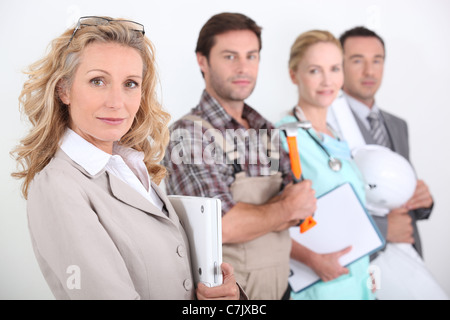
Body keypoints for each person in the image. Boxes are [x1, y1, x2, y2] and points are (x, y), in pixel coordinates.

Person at [11, 16, 241, 300]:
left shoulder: (130, 167)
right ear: (64, 90)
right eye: (98, 81)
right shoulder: (58, 186)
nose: (116, 102)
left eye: (130, 84)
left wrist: (223, 299)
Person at [162, 12, 316, 300]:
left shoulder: (265, 129)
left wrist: (258, 214)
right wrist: (282, 208)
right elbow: (221, 227)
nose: (243, 68)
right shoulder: (188, 135)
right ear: (202, 61)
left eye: (251, 56)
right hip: (230, 299)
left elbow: (303, 208)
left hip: (282, 291)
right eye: (230, 56)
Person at [276, 30, 375, 300]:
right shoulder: (282, 138)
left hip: (357, 281)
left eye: (334, 68)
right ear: (294, 74)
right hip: (317, 285)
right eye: (315, 70)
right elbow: (270, 222)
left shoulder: (337, 135)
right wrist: (312, 260)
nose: (327, 80)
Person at [328, 26, 434, 259]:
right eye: (357, 61)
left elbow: (394, 189)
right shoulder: (326, 123)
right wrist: (384, 230)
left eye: (377, 61)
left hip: (407, 257)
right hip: (361, 262)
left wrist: (422, 200)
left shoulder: (398, 125)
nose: (369, 71)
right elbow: (328, 210)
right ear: (339, 65)